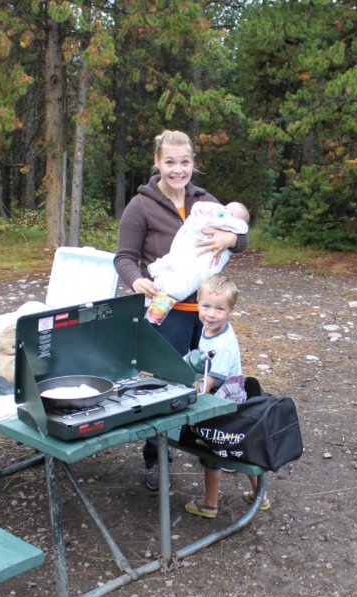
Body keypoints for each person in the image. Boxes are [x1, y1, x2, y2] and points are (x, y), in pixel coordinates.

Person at [115, 129, 248, 491]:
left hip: (209, 313)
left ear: (193, 164)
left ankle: (213, 447)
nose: (178, 169)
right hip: (169, 311)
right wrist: (136, 281)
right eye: (170, 162)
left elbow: (241, 234)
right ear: (157, 163)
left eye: (185, 162)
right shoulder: (140, 205)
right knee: (167, 383)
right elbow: (124, 257)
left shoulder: (205, 201)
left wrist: (231, 239)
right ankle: (156, 459)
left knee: (215, 379)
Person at [183, 275, 269, 519]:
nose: (210, 314)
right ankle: (260, 495)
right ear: (197, 302)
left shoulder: (222, 345)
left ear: (231, 309)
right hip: (231, 401)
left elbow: (206, 385)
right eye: (206, 306)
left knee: (212, 453)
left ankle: (210, 504)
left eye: (219, 309)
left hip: (221, 405)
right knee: (242, 447)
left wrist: (185, 390)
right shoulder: (211, 329)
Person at [147, 200, 250, 302]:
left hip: (202, 298)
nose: (224, 211)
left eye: (230, 213)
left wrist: (232, 239)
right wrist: (136, 281)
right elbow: (129, 257)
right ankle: (160, 289)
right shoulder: (143, 203)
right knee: (173, 267)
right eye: (225, 207)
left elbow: (242, 236)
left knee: (197, 274)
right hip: (184, 252)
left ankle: (172, 293)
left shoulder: (205, 197)